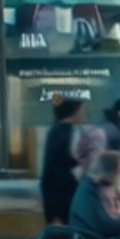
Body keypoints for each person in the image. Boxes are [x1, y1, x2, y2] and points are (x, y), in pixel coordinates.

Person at [37, 95, 84, 227]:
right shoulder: (68, 133)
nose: (83, 114)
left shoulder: (56, 131)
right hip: (63, 195)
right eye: (81, 110)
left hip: (55, 194)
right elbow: (65, 167)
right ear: (73, 111)